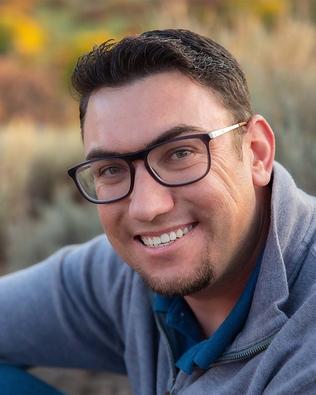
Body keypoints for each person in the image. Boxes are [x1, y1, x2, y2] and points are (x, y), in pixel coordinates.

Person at [1, 28, 316, 395]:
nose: (148, 208)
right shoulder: (122, 275)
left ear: (257, 152)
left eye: (180, 153)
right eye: (111, 169)